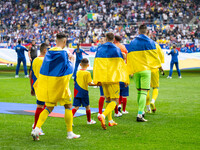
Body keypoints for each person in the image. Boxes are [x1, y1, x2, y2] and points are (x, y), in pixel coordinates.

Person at [31, 33, 80, 140]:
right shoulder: (63, 53)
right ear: (64, 41)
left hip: (50, 85)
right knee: (68, 106)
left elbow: (45, 69)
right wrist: (72, 61)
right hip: (61, 85)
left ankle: (37, 128)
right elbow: (68, 70)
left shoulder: (49, 53)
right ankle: (69, 133)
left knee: (48, 107)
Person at [127, 24, 163, 122]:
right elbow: (154, 56)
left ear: (138, 31)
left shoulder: (133, 42)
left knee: (139, 92)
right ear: (146, 32)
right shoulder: (150, 42)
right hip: (145, 70)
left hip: (136, 70)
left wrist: (130, 70)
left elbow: (129, 56)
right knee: (144, 92)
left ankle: (141, 111)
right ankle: (139, 115)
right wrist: (160, 67)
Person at [93, 32, 129, 130]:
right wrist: (125, 78)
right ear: (113, 39)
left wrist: (97, 78)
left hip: (103, 78)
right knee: (115, 100)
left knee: (108, 99)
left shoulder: (99, 49)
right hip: (113, 79)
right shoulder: (116, 49)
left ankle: (110, 121)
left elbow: (96, 64)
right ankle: (103, 115)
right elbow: (120, 65)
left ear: (105, 38)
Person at [72, 58, 99, 125]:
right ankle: (89, 121)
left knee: (76, 107)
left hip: (76, 91)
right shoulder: (87, 73)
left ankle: (70, 120)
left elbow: (74, 82)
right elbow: (89, 83)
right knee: (87, 106)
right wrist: (97, 84)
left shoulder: (77, 72)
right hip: (84, 91)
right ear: (88, 65)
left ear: (80, 64)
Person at [29, 43, 49, 135]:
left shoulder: (35, 60)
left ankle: (36, 125)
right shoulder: (45, 60)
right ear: (44, 50)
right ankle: (36, 127)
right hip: (43, 85)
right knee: (41, 106)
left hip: (36, 85)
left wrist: (31, 87)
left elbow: (30, 75)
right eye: (48, 49)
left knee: (44, 105)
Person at [114, 35, 129, 116]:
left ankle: (118, 106)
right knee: (124, 94)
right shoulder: (123, 47)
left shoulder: (113, 46)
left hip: (115, 72)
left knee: (117, 93)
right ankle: (123, 109)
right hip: (124, 77)